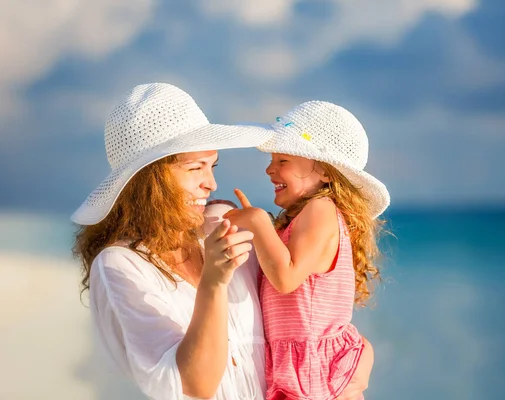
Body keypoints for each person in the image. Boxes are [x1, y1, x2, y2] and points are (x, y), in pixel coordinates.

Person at [71, 83, 372, 400]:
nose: (211, 184)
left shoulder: (222, 222)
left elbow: (306, 306)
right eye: (195, 167)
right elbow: (195, 386)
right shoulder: (122, 265)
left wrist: (352, 359)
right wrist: (213, 282)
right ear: (150, 179)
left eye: (212, 166)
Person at [224, 101, 390, 400]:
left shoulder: (321, 209)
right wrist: (261, 232)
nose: (269, 169)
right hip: (305, 363)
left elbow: (287, 279)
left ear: (325, 171)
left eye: (283, 160)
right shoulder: (301, 218)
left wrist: (259, 222)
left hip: (316, 367)